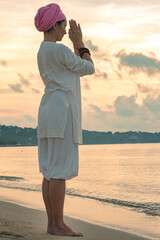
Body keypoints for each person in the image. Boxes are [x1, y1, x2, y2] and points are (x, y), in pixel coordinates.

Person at [34, 3, 95, 237]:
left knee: (49, 170)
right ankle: (58, 224)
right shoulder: (59, 51)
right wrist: (80, 44)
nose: (65, 30)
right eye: (63, 24)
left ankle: (52, 223)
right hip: (62, 113)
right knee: (58, 170)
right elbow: (89, 68)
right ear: (54, 25)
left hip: (48, 110)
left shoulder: (42, 51)